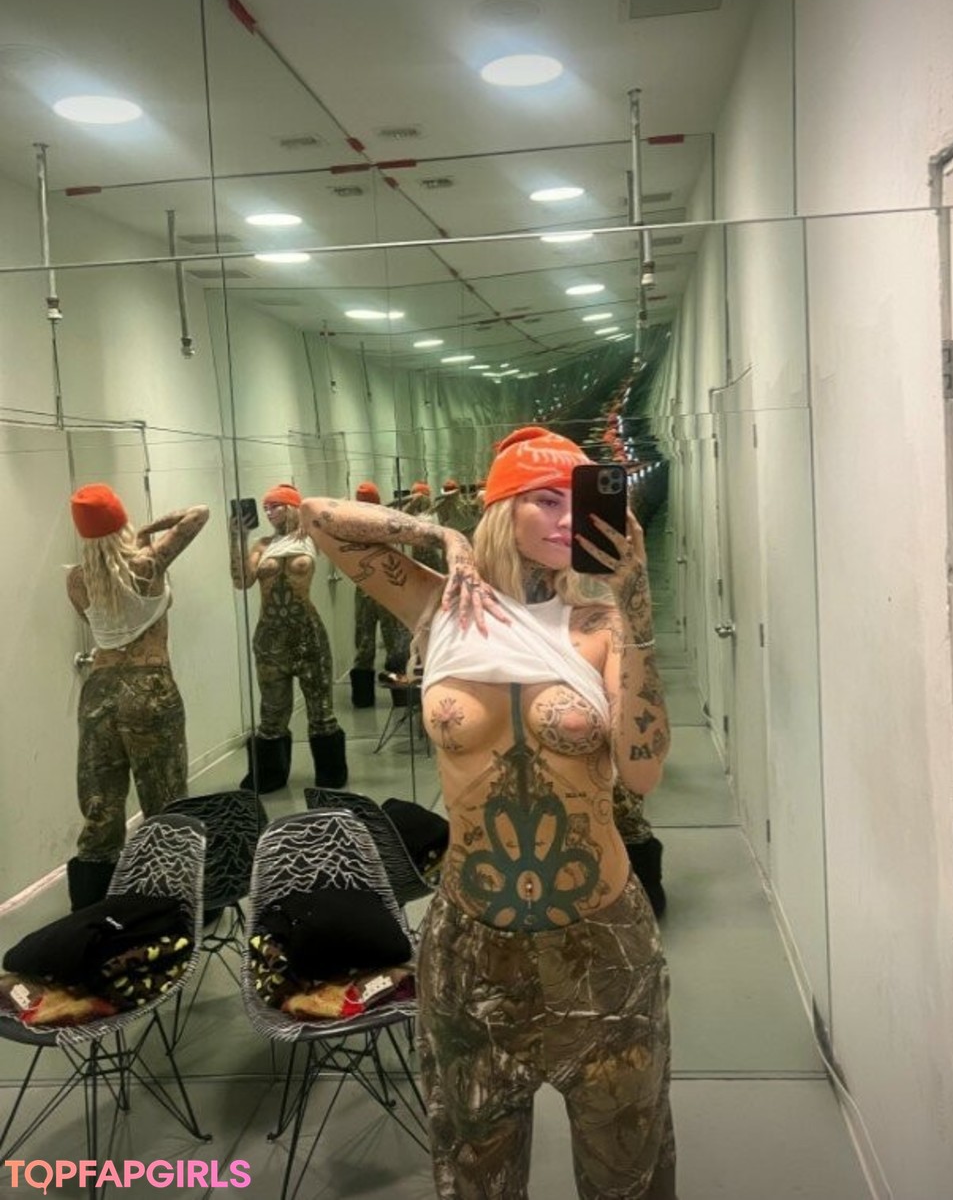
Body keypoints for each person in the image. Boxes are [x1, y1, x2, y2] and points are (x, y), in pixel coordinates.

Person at [302, 426, 677, 1199]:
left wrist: (634, 599)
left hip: (599, 943)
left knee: (627, 1174)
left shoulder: (599, 626)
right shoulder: (439, 606)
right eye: (545, 499)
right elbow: (318, 516)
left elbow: (641, 773)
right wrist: (442, 535)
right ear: (503, 509)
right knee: (475, 1174)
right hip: (472, 949)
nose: (567, 516)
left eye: (578, 498)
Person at [65, 484, 209, 910]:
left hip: (99, 690)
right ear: (121, 524)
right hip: (149, 687)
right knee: (165, 799)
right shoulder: (148, 563)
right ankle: (171, 905)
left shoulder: (76, 579)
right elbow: (198, 512)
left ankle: (93, 911)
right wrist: (146, 529)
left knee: (101, 805)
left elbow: (101, 625)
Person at [230, 482, 346, 793]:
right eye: (265, 508)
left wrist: (311, 514)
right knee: (272, 712)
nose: (268, 513)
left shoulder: (312, 537)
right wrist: (237, 538)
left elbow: (341, 516)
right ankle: (270, 775)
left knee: (321, 711)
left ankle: (331, 774)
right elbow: (242, 581)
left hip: (307, 633)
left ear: (292, 507)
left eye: (275, 506)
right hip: (270, 637)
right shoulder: (262, 544)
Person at [349, 481, 410, 708]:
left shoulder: (385, 521)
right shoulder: (352, 524)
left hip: (385, 586)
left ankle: (397, 696)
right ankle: (369, 698)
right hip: (368, 587)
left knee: (392, 645)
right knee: (367, 644)